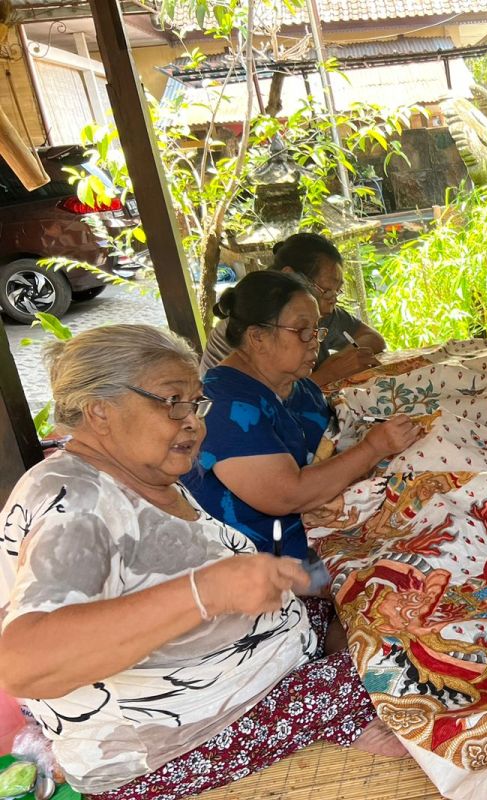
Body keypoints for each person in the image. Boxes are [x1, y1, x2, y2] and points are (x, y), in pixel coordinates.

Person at [0, 324, 404, 800]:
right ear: (99, 411)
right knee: (429, 669)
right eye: (173, 403)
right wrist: (205, 592)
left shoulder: (144, 475)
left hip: (242, 677)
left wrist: (271, 581)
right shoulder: (76, 503)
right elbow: (24, 663)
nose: (194, 421)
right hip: (189, 741)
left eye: (196, 404)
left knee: (378, 592)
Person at [184, 270, 421, 560]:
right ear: (257, 337)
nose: (315, 342)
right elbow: (287, 494)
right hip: (270, 562)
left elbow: (331, 442)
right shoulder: (224, 405)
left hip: (323, 528)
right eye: (302, 331)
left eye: (317, 329)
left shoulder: (298, 386)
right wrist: (374, 447)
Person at [200, 232, 384, 385]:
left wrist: (341, 360)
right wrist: (330, 372)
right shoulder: (244, 325)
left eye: (337, 291)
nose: (314, 342)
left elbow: (373, 338)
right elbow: (271, 399)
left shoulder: (318, 310)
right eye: (327, 290)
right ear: (293, 277)